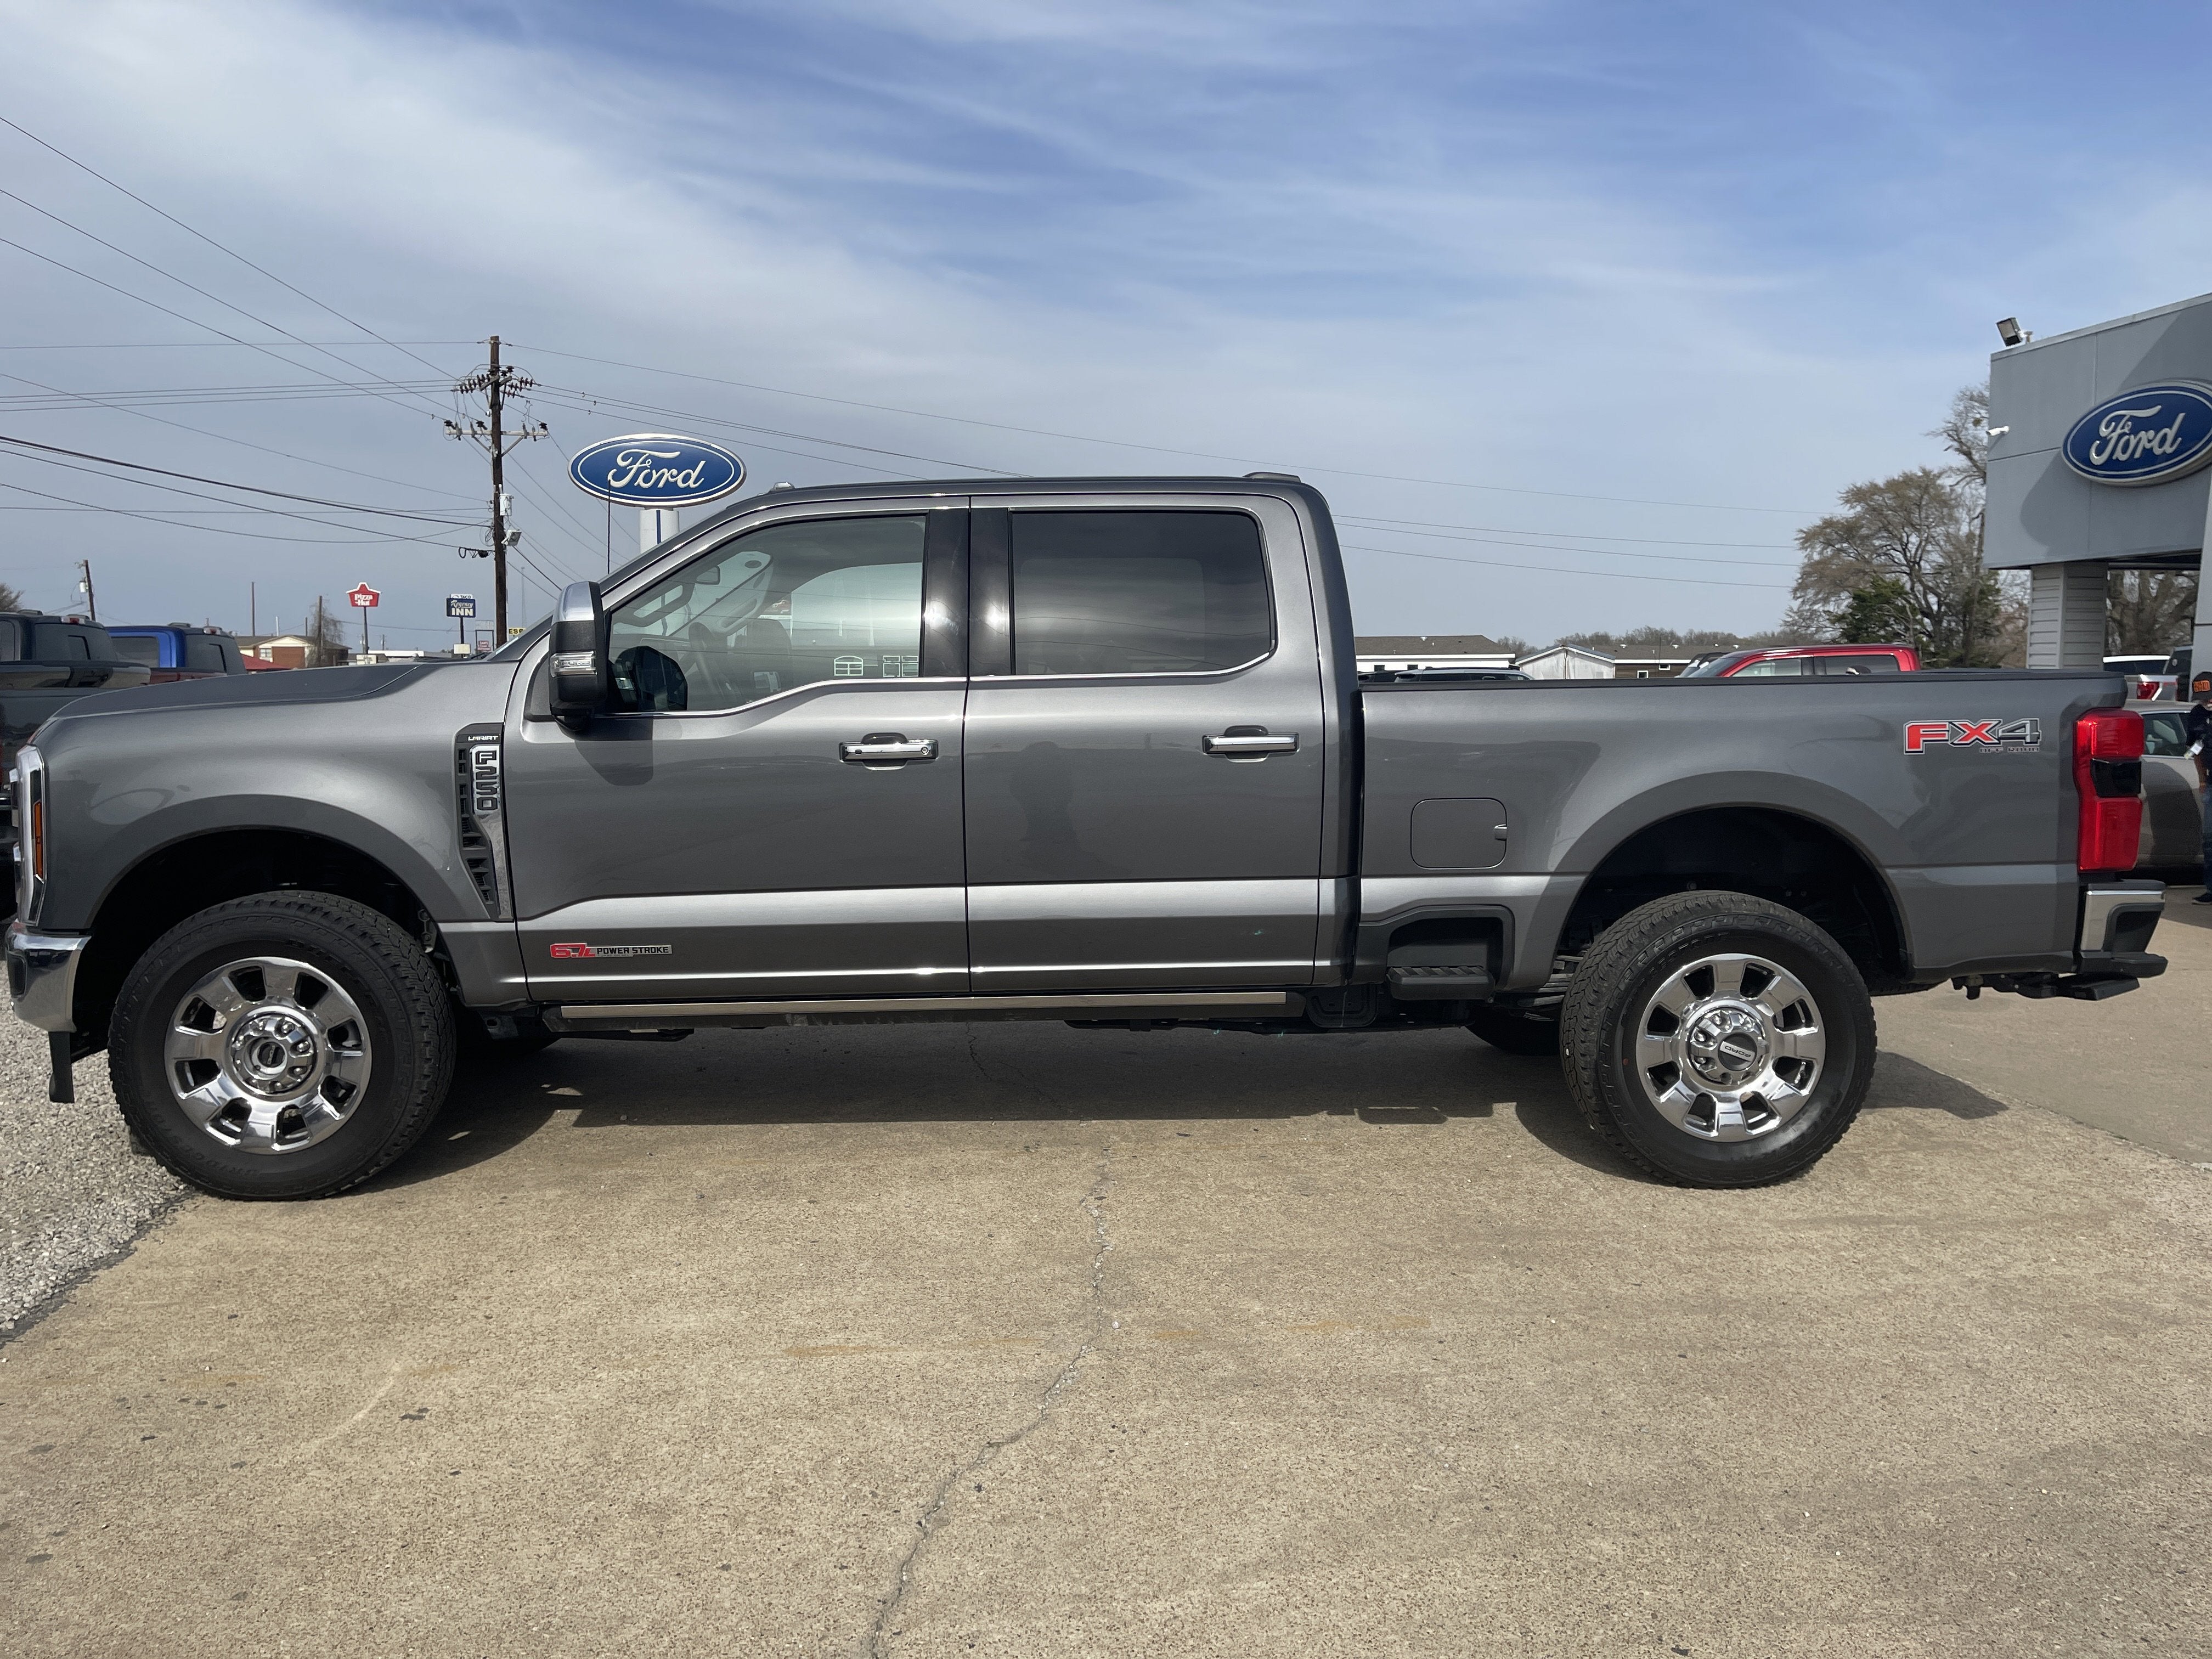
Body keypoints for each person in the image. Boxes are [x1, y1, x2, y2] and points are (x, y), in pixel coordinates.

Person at [2186, 672, 2212, 903]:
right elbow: (2196, 749)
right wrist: (2202, 780)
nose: (2208, 701)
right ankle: (2211, 890)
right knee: (2210, 839)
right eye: (2204, 698)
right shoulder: (2197, 715)